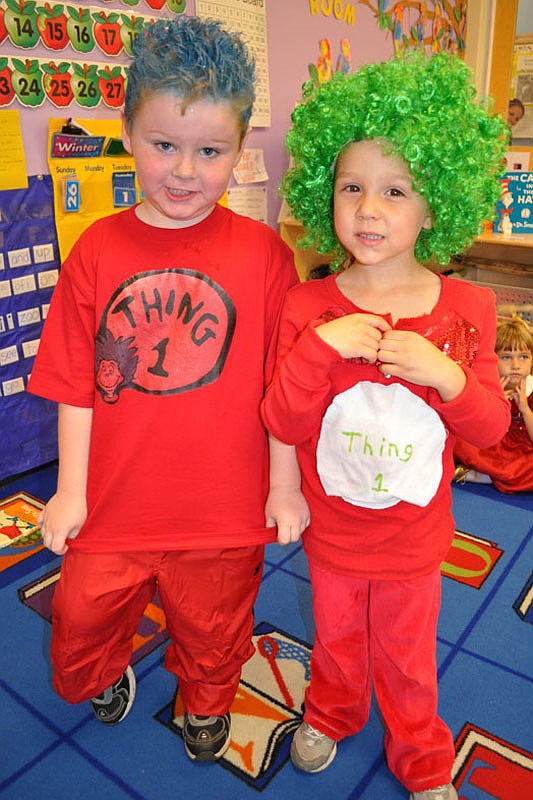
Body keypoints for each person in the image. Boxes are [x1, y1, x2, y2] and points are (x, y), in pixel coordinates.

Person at [28, 16, 308, 764]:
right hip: (114, 505)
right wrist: (70, 491)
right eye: (164, 145)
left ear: (238, 150)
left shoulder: (264, 256)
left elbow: (282, 385)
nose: (185, 171)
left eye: (209, 152)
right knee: (80, 619)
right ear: (127, 131)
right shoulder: (96, 249)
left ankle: (206, 703)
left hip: (222, 512)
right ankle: (106, 669)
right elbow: (74, 387)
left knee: (216, 628)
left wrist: (283, 485)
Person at [261, 51, 510, 800]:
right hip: (333, 529)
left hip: (413, 535)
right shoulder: (308, 309)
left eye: (395, 191)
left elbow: (493, 428)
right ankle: (333, 712)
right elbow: (280, 415)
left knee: (405, 654)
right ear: (325, 195)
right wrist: (314, 352)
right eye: (351, 188)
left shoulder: (466, 309)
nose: (368, 209)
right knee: (336, 641)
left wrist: (447, 376)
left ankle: (423, 756)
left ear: (433, 206)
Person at [454, 315, 533, 492]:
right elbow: (474, 427)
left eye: (523, 357)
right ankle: (485, 474)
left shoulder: (532, 389)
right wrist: (497, 406)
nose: (515, 365)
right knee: (456, 440)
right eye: (506, 357)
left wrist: (526, 410)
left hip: (523, 452)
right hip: (491, 445)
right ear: (493, 359)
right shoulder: (487, 384)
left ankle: (477, 475)